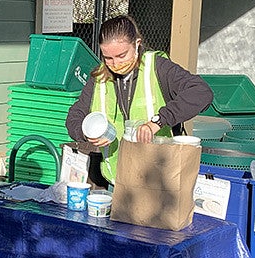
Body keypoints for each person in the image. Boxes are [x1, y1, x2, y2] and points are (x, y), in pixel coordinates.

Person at [65, 14, 213, 186]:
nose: (115, 63)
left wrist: (158, 121)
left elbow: (201, 92)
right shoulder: (99, 78)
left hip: (159, 181)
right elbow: (74, 116)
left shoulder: (158, 67)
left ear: (136, 44)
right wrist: (86, 133)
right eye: (108, 58)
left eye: (122, 55)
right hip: (117, 181)